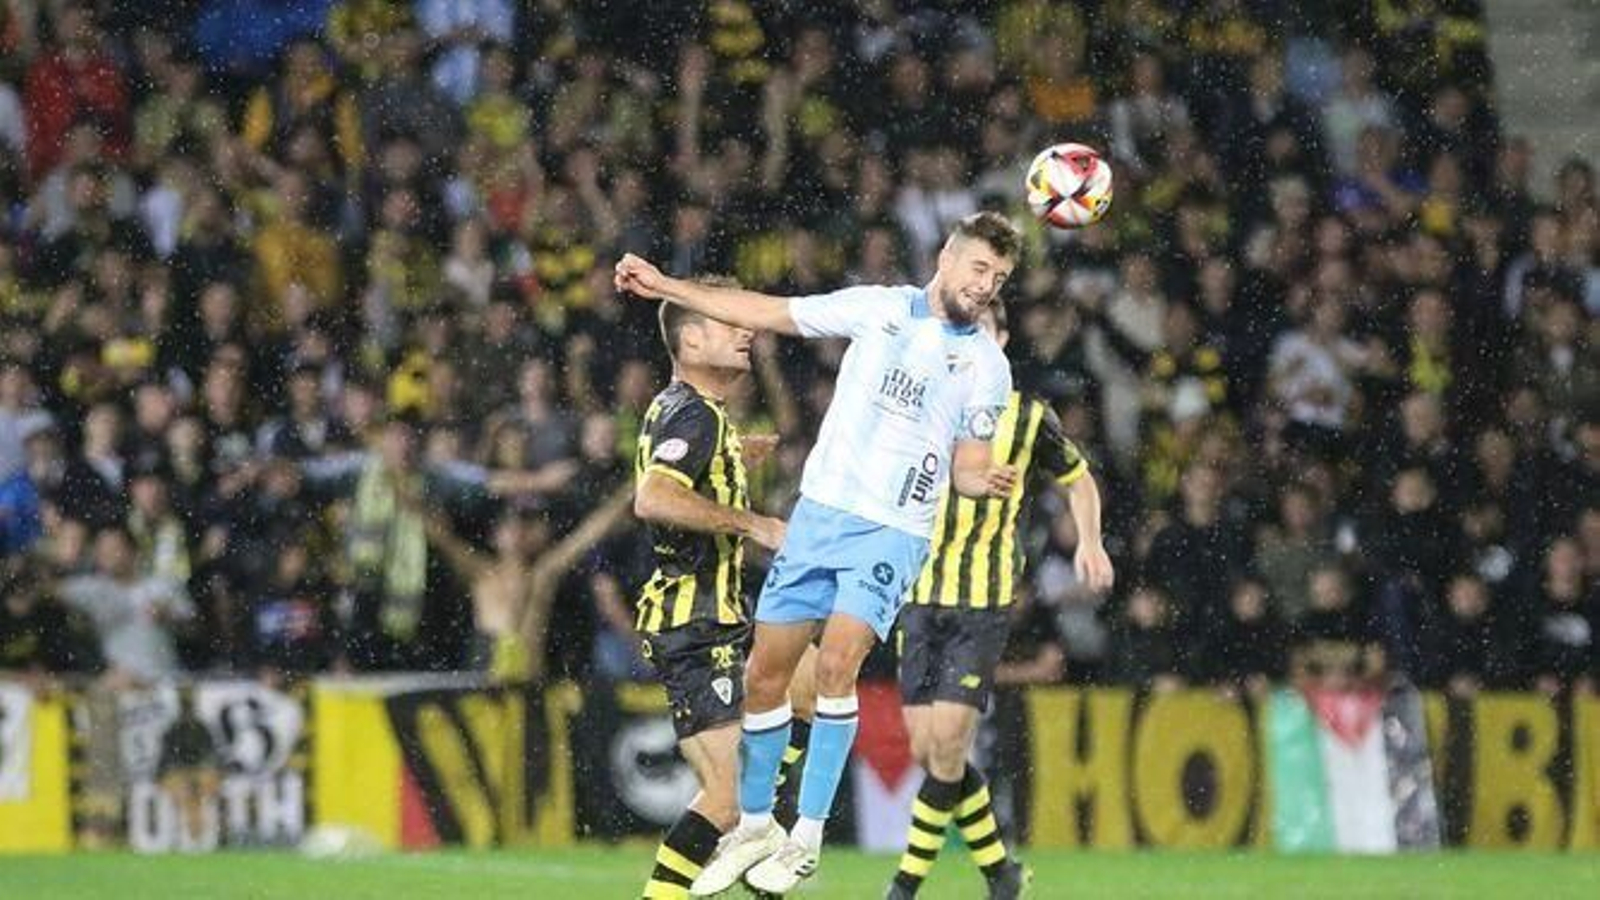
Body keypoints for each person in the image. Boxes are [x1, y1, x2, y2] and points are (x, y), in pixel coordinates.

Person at [618, 211, 1020, 894]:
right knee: (769, 681)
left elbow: (968, 465)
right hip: (816, 518)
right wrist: (667, 286)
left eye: (1001, 277)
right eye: (980, 268)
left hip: (893, 528)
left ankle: (802, 836)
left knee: (834, 665)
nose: (987, 285)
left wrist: (979, 479)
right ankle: (758, 824)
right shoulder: (877, 309)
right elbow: (764, 311)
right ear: (947, 257)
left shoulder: (987, 365)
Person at [888, 303, 1114, 900]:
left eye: (984, 330)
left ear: (1004, 340)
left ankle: (903, 887)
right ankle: (1001, 875)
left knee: (949, 745)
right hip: (917, 597)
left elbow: (1079, 478)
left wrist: (1089, 541)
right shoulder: (917, 407)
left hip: (980, 604)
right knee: (929, 749)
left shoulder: (1029, 417)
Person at [631, 279, 812, 900]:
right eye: (726, 321)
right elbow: (652, 497)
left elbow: (678, 471)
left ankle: (768, 855)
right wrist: (754, 523)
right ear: (690, 337)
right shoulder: (693, 413)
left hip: (721, 617)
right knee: (729, 806)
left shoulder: (692, 413)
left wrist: (736, 455)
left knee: (818, 687)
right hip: (692, 624)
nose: (745, 329)